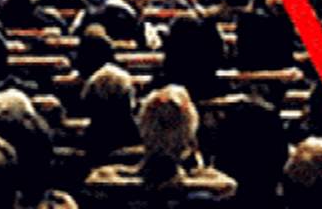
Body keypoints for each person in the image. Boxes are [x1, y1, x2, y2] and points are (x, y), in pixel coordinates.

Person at [85, 84, 236, 199]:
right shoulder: (213, 187)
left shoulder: (105, 180)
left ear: (142, 127)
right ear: (190, 134)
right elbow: (228, 186)